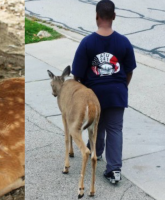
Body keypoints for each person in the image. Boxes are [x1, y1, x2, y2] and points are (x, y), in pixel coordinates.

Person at [72, 0, 136, 184]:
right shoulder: (124, 42)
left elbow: (77, 74)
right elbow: (129, 70)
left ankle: (96, 153)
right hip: (117, 92)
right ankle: (114, 170)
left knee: (95, 126)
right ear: (114, 16)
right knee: (115, 129)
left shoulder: (87, 43)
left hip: (94, 94)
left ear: (96, 17)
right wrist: (122, 86)